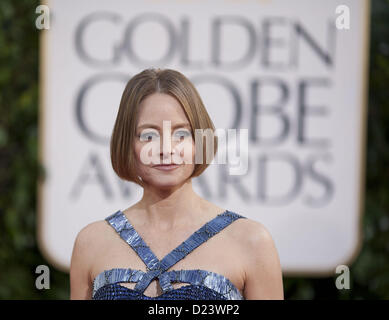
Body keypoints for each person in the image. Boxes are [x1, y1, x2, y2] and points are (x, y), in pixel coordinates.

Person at [69, 68, 284, 300]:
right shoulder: (91, 243)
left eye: (181, 134)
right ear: (127, 143)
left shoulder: (251, 241)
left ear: (200, 141)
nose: (166, 149)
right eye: (148, 135)